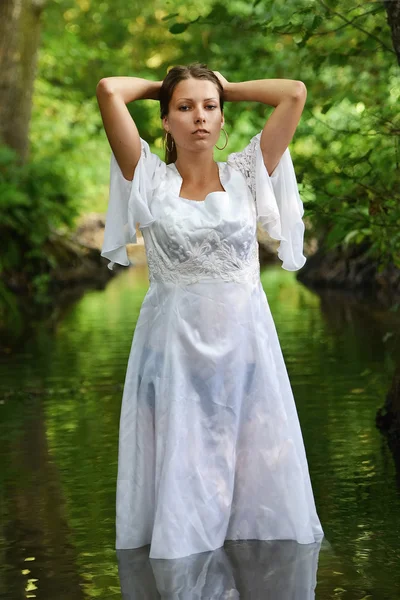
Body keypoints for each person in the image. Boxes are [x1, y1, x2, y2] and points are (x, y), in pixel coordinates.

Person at [96, 63, 324, 560]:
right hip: (173, 352)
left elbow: (294, 92)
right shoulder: (148, 176)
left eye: (209, 107)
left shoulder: (247, 171)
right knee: (184, 469)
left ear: (222, 118)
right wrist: (167, 85)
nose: (200, 117)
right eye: (185, 107)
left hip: (246, 348)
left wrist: (225, 87)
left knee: (255, 472)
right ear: (165, 121)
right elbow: (110, 88)